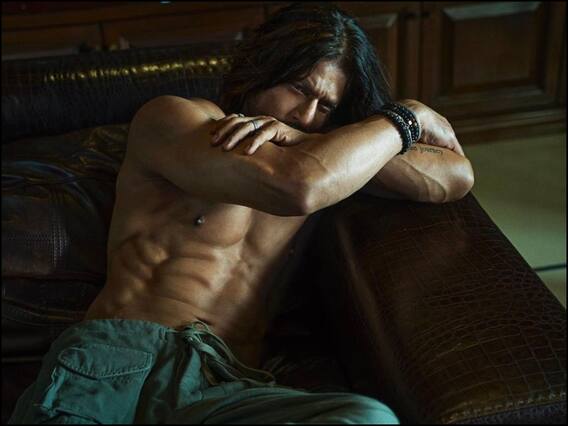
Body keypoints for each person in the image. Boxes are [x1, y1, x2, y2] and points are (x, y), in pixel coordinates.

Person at [9, 2, 474, 424]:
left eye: (326, 107)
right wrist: (407, 117)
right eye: (299, 88)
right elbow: (297, 186)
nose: (307, 114)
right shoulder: (174, 119)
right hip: (121, 362)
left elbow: (455, 177)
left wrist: (318, 139)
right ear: (262, 69)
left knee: (368, 419)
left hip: (226, 387)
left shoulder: (327, 158)